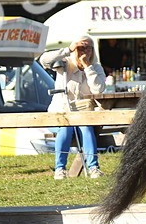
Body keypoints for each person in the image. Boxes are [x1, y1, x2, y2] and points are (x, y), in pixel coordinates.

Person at [40, 36, 106, 180]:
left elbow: (98, 89)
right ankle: (60, 169)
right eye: (81, 47)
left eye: (89, 47)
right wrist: (68, 49)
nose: (85, 51)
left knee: (86, 127)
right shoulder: (64, 64)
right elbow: (44, 60)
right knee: (65, 128)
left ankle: (94, 168)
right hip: (61, 113)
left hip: (83, 114)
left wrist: (88, 67)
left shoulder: (96, 67)